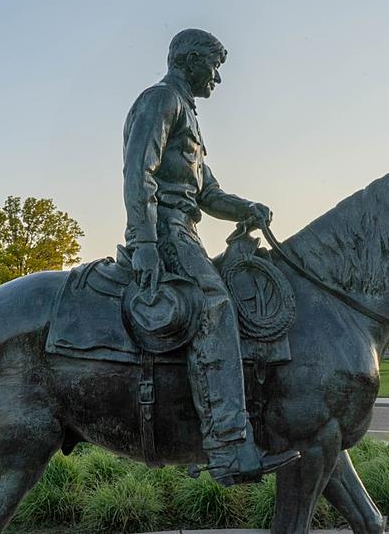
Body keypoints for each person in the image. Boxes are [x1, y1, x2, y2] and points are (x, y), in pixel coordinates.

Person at [122, 28, 299, 486]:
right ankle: (227, 446)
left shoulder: (190, 120)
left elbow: (210, 194)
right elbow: (138, 171)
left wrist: (247, 209)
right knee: (215, 307)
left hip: (187, 232)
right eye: (215, 66)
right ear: (190, 60)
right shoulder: (161, 100)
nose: (218, 79)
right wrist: (144, 244)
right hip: (166, 232)